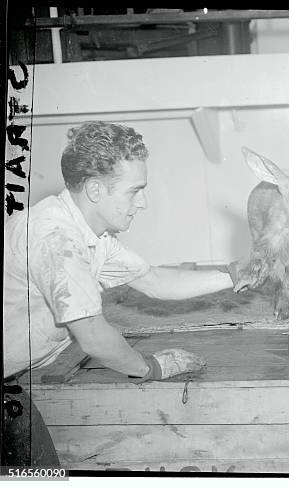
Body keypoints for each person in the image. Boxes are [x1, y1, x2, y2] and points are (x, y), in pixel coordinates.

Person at [2, 121, 239, 468]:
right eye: (134, 190)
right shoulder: (56, 238)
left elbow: (154, 280)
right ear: (96, 190)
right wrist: (150, 369)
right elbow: (95, 338)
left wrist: (235, 274)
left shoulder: (91, 238)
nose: (142, 203)